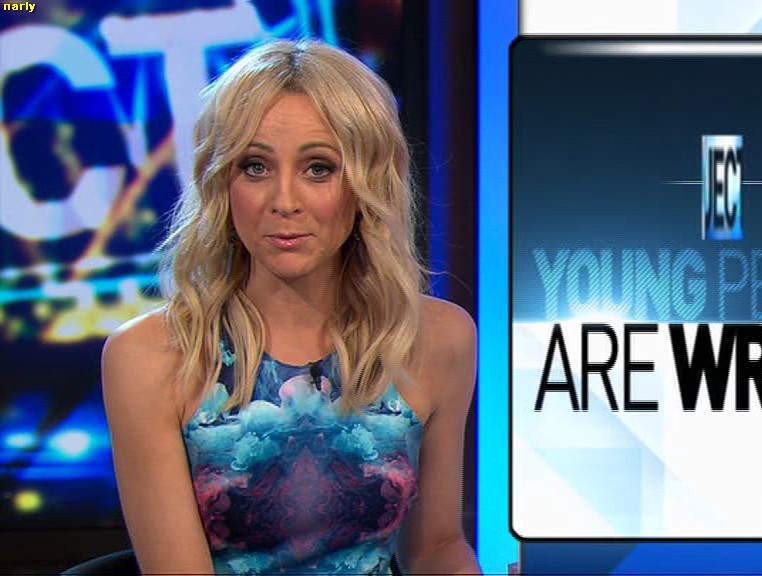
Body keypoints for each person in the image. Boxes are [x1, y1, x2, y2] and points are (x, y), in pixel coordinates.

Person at [101, 39, 480, 575]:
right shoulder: (150, 357)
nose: (284, 201)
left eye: (318, 168)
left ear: (367, 182)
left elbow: (435, 549)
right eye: (254, 167)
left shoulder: (437, 338)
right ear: (221, 182)